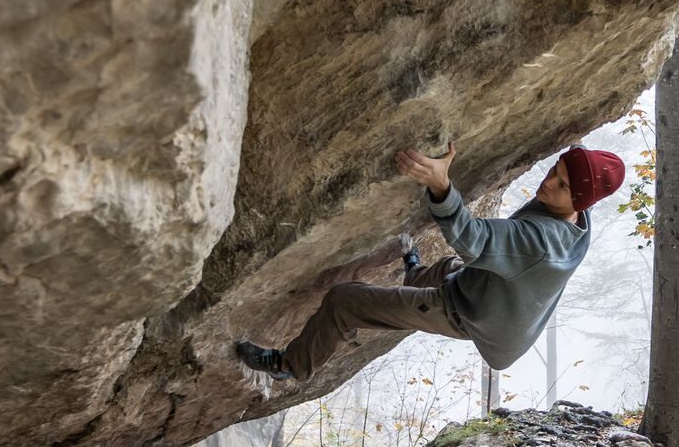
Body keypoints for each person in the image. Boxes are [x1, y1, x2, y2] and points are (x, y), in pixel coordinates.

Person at [235, 142, 624, 383]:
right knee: (441, 270)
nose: (548, 183)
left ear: (579, 200)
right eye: (555, 171)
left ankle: (290, 365)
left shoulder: (542, 243)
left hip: (467, 313)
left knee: (344, 300)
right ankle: (416, 275)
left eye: (562, 186)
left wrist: (441, 185)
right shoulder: (579, 214)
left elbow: (474, 238)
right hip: (486, 291)